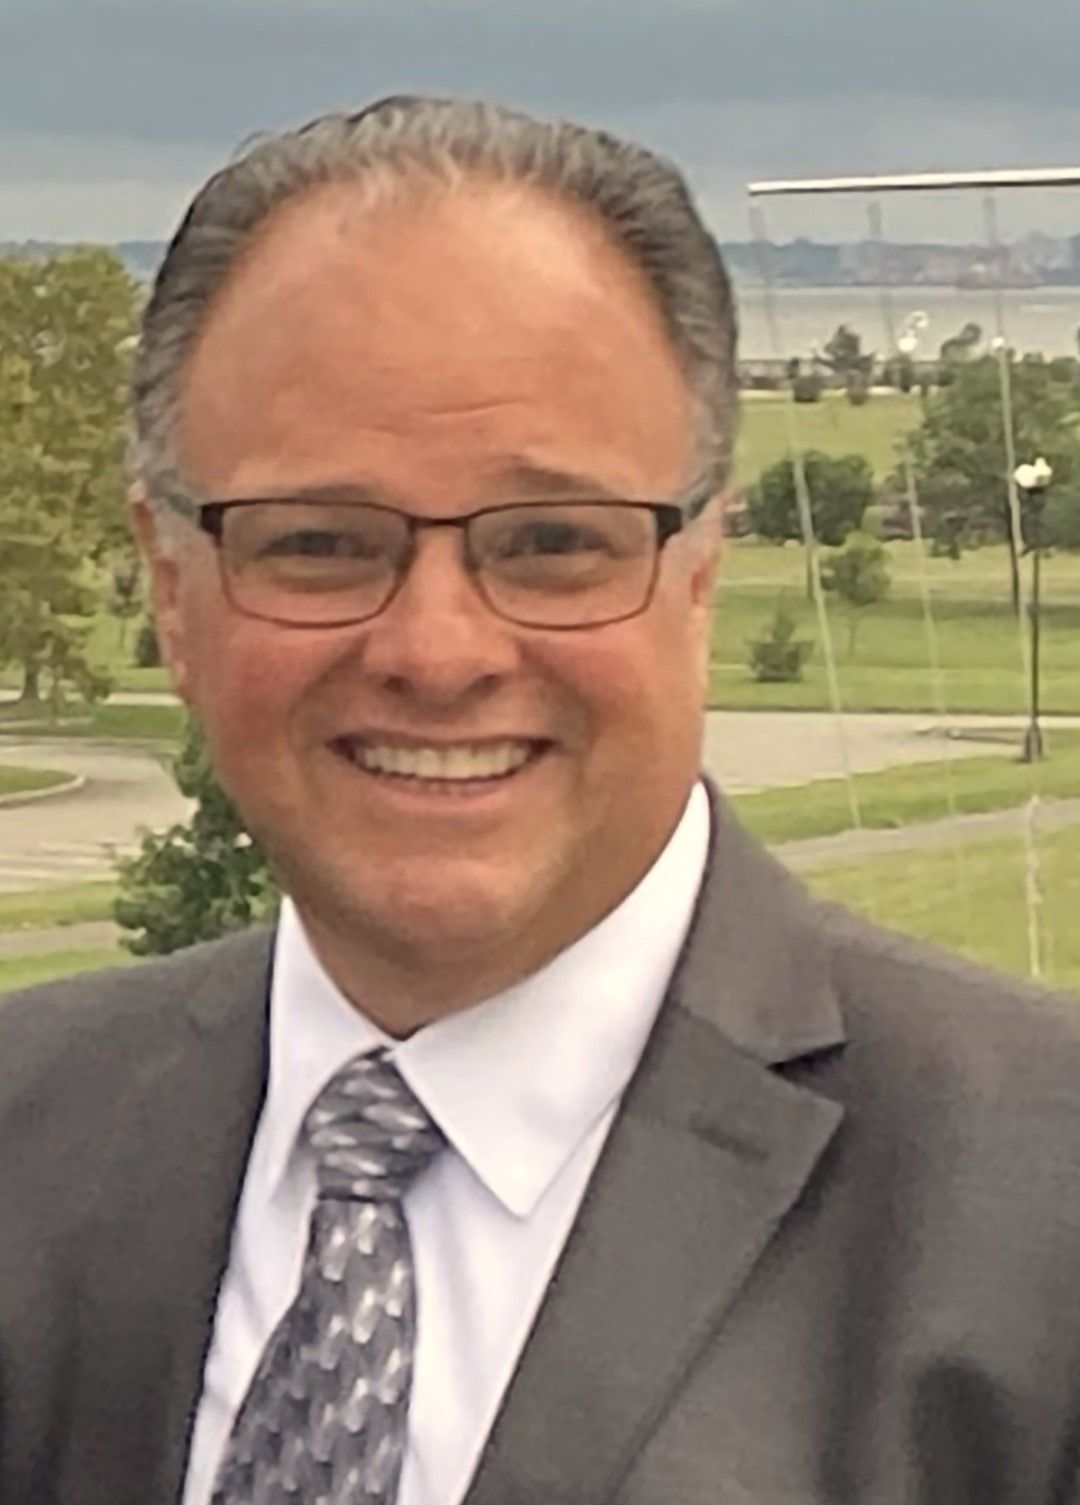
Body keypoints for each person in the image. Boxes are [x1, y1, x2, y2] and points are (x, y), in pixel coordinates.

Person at [1, 96, 1080, 1505]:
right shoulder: (28, 1133)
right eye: (319, 542)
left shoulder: (1038, 1220)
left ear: (700, 569)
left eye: (555, 541)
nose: (436, 652)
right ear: (169, 587)